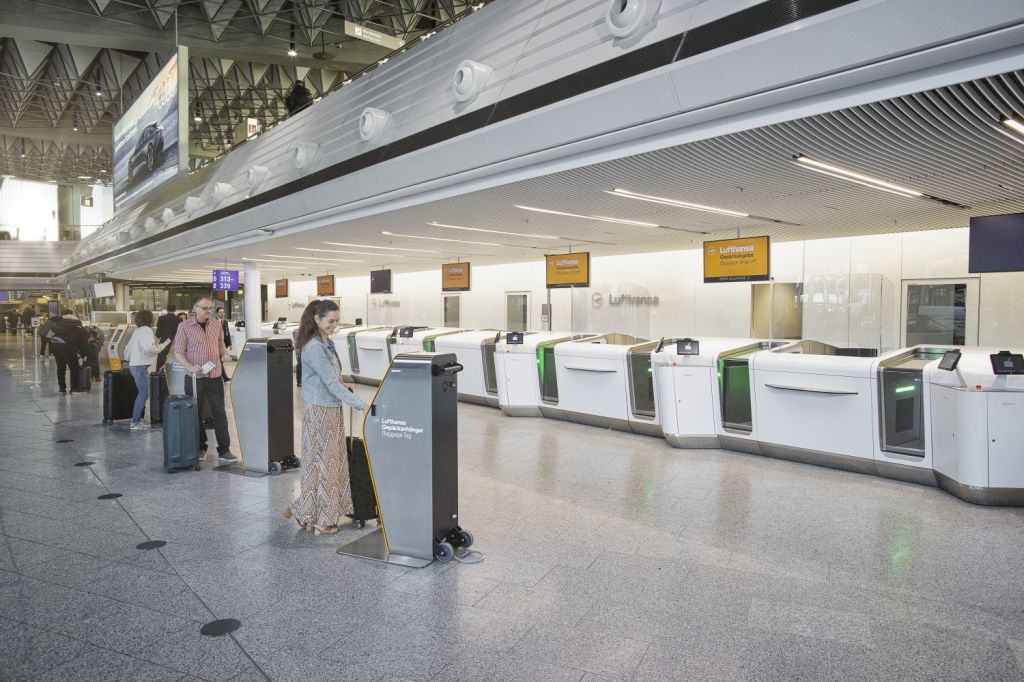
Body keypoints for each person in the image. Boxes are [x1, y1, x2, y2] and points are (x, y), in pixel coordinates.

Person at [284, 299, 367, 535]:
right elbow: (330, 382)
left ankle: (307, 514)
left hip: (327, 410)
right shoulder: (314, 347)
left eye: (337, 321)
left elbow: (330, 378)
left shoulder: (325, 343)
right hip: (322, 413)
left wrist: (345, 387)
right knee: (325, 465)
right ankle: (322, 519)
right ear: (317, 320)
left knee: (319, 464)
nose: (335, 325)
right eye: (331, 321)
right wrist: (360, 404)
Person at [173, 296, 235, 462]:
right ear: (195, 308)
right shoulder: (184, 326)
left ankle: (224, 450)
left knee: (220, 413)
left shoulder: (216, 324)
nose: (208, 311)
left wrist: (225, 355)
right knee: (195, 413)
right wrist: (189, 366)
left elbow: (221, 345)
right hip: (194, 378)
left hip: (214, 376)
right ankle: (200, 447)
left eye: (210, 308)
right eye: (205, 308)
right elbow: (178, 352)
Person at [123, 310, 169, 430]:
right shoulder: (146, 330)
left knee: (143, 393)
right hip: (139, 366)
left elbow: (127, 350)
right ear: (150, 319)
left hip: (135, 365)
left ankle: (136, 419)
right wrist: (163, 346)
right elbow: (150, 348)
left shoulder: (138, 330)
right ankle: (135, 422)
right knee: (143, 394)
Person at [49, 310, 89, 394]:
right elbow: (83, 343)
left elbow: (50, 336)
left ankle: (61, 387)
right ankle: (74, 388)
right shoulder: (78, 328)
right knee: (74, 368)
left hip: (56, 347)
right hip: (69, 349)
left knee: (61, 368)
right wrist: (83, 354)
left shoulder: (59, 325)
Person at [155, 304, 181, 371]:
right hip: (175, 343)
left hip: (164, 343)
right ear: (175, 310)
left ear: (167, 310)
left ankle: (160, 375)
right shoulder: (179, 319)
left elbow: (158, 334)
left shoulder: (161, 318)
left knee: (161, 360)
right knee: (173, 360)